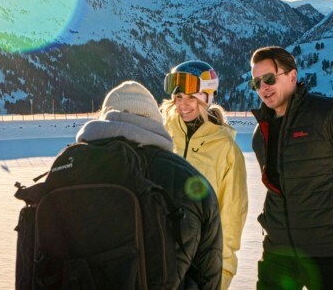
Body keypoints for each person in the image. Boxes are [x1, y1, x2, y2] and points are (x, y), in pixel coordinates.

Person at [249, 46, 333, 289]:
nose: (263, 87)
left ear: (292, 76)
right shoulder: (261, 133)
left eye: (269, 78)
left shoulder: (329, 114)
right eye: (257, 82)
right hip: (279, 253)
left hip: (332, 253)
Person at [76, 80, 223, 289]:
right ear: (155, 121)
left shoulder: (70, 166)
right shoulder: (189, 179)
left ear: (105, 118)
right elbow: (207, 274)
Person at [160, 61, 248, 289]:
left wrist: (222, 272)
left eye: (191, 98)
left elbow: (231, 216)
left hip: (200, 262)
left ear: (206, 98)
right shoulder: (164, 136)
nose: (183, 105)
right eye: (178, 98)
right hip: (160, 258)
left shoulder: (225, 149)